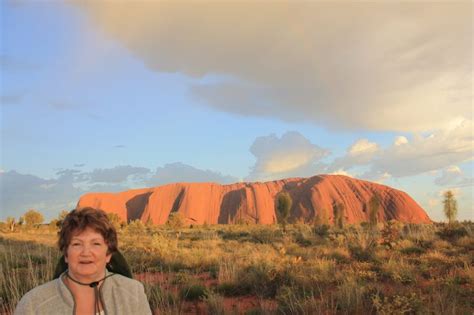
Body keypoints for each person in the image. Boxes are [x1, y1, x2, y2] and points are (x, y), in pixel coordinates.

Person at [14, 207, 152, 315]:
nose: (86, 252)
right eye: (77, 244)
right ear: (66, 254)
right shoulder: (33, 303)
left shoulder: (133, 292)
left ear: (108, 254)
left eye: (96, 244)